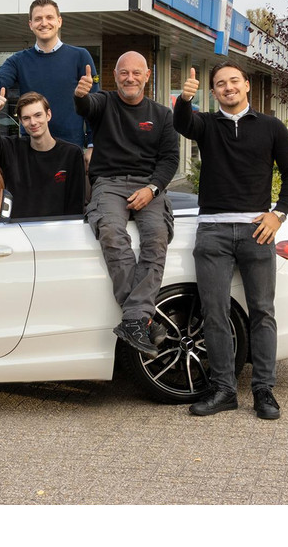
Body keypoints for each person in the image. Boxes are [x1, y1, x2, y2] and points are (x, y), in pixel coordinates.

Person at [174, 62, 288, 420]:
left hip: (256, 232)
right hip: (212, 231)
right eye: (220, 84)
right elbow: (182, 124)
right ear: (213, 92)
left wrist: (279, 213)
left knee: (262, 311)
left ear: (246, 85)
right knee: (214, 312)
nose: (228, 87)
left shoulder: (271, 127)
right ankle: (224, 390)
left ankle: (263, 391)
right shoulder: (206, 125)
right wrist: (184, 100)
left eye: (234, 81)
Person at [74, 52, 180, 357]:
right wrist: (80, 95)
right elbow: (86, 106)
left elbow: (170, 159)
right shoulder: (103, 103)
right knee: (111, 232)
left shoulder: (162, 115)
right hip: (108, 184)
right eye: (123, 73)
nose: (129, 78)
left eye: (136, 73)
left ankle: (133, 319)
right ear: (115, 76)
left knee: (156, 239)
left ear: (147, 76)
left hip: (148, 185)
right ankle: (141, 318)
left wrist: (152, 189)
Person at [0, 0, 99, 156]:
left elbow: (94, 105)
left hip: (71, 148)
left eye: (49, 17)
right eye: (38, 19)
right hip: (31, 148)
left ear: (59, 21)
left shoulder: (80, 56)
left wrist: (92, 144)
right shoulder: (18, 60)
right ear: (30, 25)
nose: (44, 23)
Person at [0, 89, 85, 219]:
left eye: (38, 115)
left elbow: (76, 204)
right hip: (18, 227)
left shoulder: (71, 154)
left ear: (48, 115)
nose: (33, 122)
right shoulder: (12, 148)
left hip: (57, 228)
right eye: (26, 118)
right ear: (21, 121)